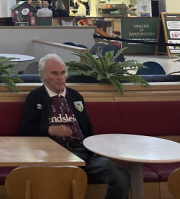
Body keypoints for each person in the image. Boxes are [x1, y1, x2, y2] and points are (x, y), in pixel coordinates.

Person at [21, 54, 129, 199]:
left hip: (84, 152)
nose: (60, 78)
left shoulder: (75, 96)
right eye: (54, 73)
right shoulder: (35, 97)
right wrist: (49, 130)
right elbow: (26, 131)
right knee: (71, 181)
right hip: (54, 155)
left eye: (63, 73)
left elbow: (88, 128)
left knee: (121, 176)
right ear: (42, 75)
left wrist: (93, 150)